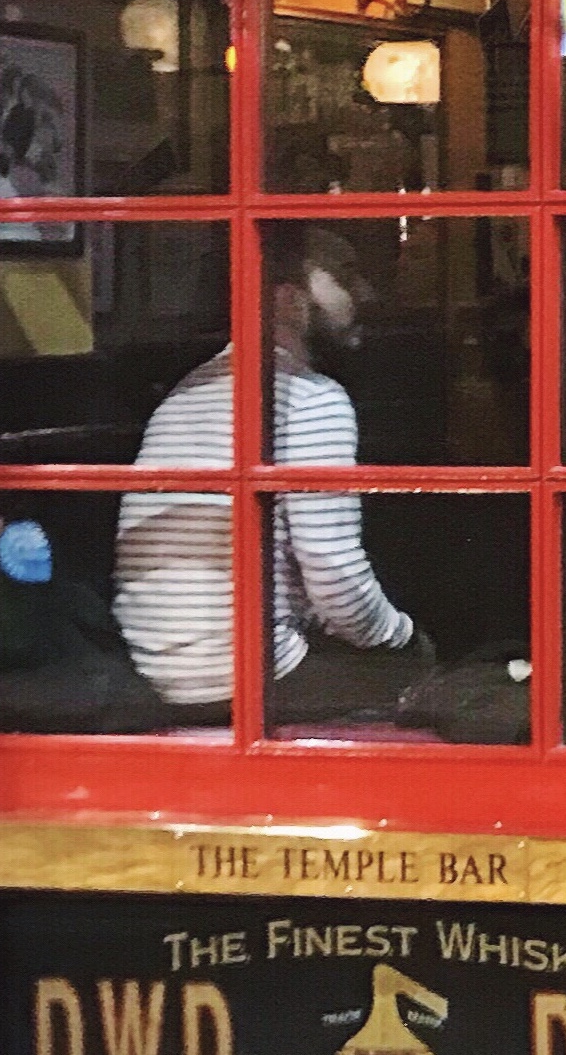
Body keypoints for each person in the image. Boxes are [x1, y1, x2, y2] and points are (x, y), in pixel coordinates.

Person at [115, 227, 427, 718]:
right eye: (344, 275)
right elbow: (334, 573)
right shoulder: (310, 397)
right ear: (287, 298)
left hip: (158, 675)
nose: (362, 294)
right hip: (252, 675)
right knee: (419, 665)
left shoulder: (187, 390)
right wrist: (402, 635)